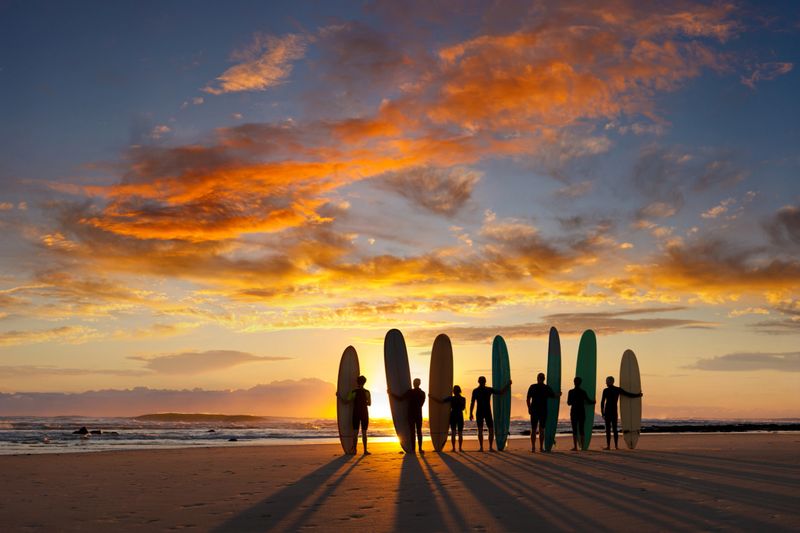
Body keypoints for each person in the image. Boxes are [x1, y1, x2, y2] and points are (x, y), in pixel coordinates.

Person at [469, 376, 512, 452]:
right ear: (484, 381)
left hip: (481, 412)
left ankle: (482, 448)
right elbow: (501, 392)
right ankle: (489, 447)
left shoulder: (476, 390)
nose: (482, 382)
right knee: (488, 430)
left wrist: (470, 413)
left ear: (478, 381)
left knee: (482, 430)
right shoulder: (487, 390)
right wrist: (508, 385)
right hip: (486, 411)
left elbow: (472, 403)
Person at [600, 376, 643, 450]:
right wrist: (638, 395)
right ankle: (616, 446)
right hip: (614, 411)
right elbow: (629, 394)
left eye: (607, 381)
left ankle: (609, 446)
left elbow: (602, 402)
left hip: (608, 411)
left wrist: (602, 413)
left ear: (611, 382)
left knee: (608, 430)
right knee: (615, 429)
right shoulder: (617, 389)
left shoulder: (606, 390)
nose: (606, 382)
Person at [526, 372, 560, 453]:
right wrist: (559, 394)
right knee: (541, 429)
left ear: (537, 378)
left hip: (534, 410)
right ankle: (541, 448)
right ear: (544, 379)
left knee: (533, 429)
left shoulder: (532, 386)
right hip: (543, 411)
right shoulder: (546, 388)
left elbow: (527, 399)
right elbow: (554, 396)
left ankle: (533, 448)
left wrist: (529, 408)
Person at [390, 378, 426, 453]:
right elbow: (421, 404)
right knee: (419, 431)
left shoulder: (410, 392)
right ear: (419, 384)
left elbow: (400, 399)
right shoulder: (422, 393)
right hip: (419, 414)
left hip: (411, 414)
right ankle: (420, 448)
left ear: (413, 383)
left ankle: (413, 449)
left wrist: (391, 393)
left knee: (412, 431)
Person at [337, 375, 371, 455]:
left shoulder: (353, 392)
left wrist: (339, 396)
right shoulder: (367, 392)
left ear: (357, 382)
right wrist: (363, 402)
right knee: (364, 432)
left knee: (355, 432)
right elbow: (369, 404)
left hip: (356, 413)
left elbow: (346, 402)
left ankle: (354, 450)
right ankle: (365, 450)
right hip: (364, 413)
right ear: (364, 382)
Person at [432, 385, 466, 452]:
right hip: (460, 415)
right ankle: (460, 448)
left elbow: (441, 401)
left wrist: (432, 397)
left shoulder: (451, 398)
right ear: (460, 391)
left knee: (453, 432)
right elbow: (463, 408)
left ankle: (453, 448)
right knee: (460, 433)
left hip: (453, 415)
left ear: (453, 391)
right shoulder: (463, 399)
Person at [567, 376, 595, 451]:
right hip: (581, 412)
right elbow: (589, 401)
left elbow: (568, 403)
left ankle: (575, 447)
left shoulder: (571, 392)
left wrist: (574, 401)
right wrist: (594, 401)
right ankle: (582, 447)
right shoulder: (583, 392)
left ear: (574, 382)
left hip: (574, 412)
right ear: (580, 383)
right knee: (581, 429)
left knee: (574, 429)